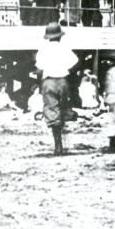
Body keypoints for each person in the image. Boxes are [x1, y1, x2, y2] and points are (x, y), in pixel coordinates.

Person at [34, 22, 78, 156]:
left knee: (52, 112)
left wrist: (40, 83)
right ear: (60, 36)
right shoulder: (65, 48)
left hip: (49, 81)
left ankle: (58, 145)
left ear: (48, 37)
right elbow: (75, 63)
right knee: (62, 108)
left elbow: (39, 69)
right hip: (63, 81)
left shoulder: (43, 50)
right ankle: (61, 143)